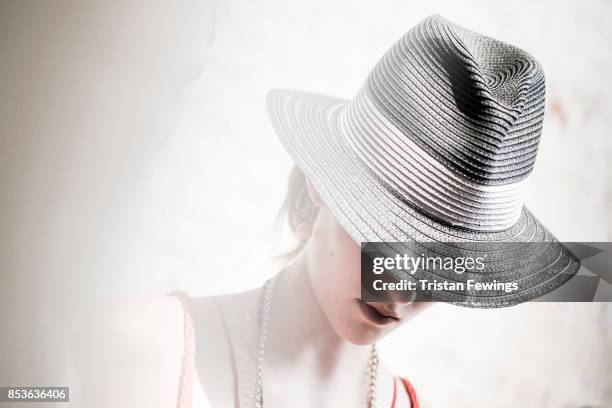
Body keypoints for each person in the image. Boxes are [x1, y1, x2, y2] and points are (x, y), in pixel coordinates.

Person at [74, 14, 578, 408]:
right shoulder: (136, 347)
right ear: (322, 183)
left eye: (443, 266)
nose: (401, 289)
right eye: (388, 239)